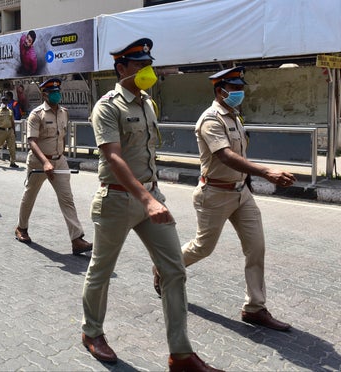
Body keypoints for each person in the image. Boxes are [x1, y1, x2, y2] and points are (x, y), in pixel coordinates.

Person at [80, 38, 220, 371]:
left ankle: (181, 354)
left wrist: (151, 196)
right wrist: (145, 199)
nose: (148, 71)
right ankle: (92, 332)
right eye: (140, 66)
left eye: (149, 65)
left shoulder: (147, 104)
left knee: (174, 270)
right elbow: (113, 156)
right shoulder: (107, 106)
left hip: (150, 196)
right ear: (121, 69)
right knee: (100, 270)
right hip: (117, 198)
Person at [151, 66, 297, 332]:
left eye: (241, 88)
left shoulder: (235, 116)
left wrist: (249, 184)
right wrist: (267, 171)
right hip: (214, 194)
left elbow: (239, 156)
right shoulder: (210, 119)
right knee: (203, 247)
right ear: (220, 91)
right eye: (235, 88)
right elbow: (225, 155)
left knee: (256, 248)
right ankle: (163, 266)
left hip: (241, 193)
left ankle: (255, 307)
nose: (240, 92)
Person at [14, 78, 92, 255]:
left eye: (58, 91)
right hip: (38, 162)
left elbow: (62, 136)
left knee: (67, 198)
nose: (56, 95)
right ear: (44, 94)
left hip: (59, 161)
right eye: (52, 92)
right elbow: (32, 141)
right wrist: (45, 161)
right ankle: (21, 228)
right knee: (30, 195)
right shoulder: (36, 114)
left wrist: (59, 156)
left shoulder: (64, 112)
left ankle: (76, 239)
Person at [0, 96, 19, 168]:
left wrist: (14, 132)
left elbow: (12, 122)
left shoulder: (10, 111)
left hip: (10, 131)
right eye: (2, 101)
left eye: (5, 102)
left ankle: (12, 162)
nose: (4, 103)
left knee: (12, 147)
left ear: (7, 102)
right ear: (0, 102)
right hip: (0, 131)